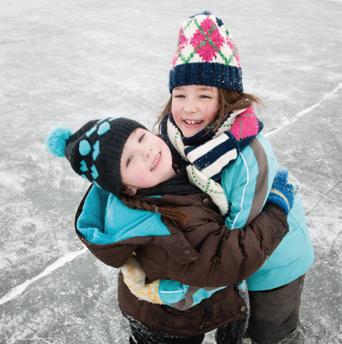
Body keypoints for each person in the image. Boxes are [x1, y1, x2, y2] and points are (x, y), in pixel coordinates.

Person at [131, 11, 313, 344]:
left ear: (226, 99)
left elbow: (234, 250)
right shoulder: (169, 137)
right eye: (180, 94)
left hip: (275, 259)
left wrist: (178, 292)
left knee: (271, 332)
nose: (189, 108)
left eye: (204, 95)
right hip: (229, 249)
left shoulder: (246, 158)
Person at [46, 116, 293, 344]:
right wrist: (276, 209)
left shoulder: (170, 169)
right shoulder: (164, 226)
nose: (146, 151)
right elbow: (226, 259)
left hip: (178, 310)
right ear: (127, 188)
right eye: (130, 160)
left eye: (141, 137)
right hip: (170, 325)